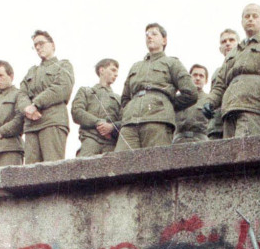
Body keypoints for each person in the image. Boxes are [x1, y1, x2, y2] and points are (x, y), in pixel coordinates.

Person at [203, 4, 260, 138]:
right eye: (247, 16)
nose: (250, 19)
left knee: (247, 153)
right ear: (242, 21)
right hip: (229, 109)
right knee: (230, 155)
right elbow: (220, 83)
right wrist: (210, 102)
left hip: (254, 106)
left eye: (255, 16)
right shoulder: (234, 51)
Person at [115, 23, 197, 151]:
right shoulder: (136, 66)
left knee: (155, 164)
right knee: (120, 164)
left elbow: (191, 93)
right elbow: (125, 98)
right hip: (130, 123)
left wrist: (166, 105)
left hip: (158, 120)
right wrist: (129, 111)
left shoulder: (172, 63)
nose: (149, 37)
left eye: (154, 34)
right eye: (147, 35)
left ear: (164, 40)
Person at [17, 30, 74, 163]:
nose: (38, 47)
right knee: (30, 172)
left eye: (41, 43)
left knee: (52, 168)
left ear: (52, 45)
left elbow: (62, 88)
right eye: (35, 45)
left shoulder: (63, 65)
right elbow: (21, 93)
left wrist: (36, 104)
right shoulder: (32, 71)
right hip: (31, 124)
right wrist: (27, 108)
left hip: (52, 122)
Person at [71, 58, 122, 156]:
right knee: (82, 167)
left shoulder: (119, 99)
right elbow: (77, 112)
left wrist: (112, 127)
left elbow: (125, 120)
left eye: (117, 72)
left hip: (111, 143)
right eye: (113, 70)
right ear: (102, 70)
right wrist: (98, 122)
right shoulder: (85, 91)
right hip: (90, 138)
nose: (116, 74)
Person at [207, 29, 240, 140]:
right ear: (220, 48)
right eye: (224, 41)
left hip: (236, 118)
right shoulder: (217, 72)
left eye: (231, 40)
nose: (227, 43)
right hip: (217, 125)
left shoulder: (241, 66)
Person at [173, 65, 210, 145]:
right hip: (178, 142)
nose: (197, 78)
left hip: (201, 142)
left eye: (201, 76)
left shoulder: (210, 100)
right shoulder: (179, 99)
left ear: (206, 81)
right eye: (195, 75)